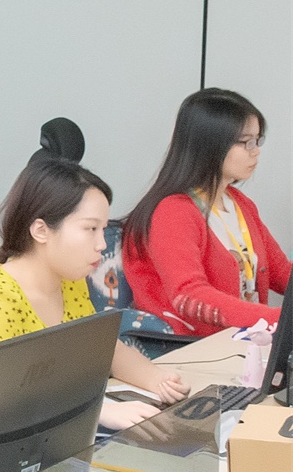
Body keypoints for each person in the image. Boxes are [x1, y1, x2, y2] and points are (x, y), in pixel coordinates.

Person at [0, 159, 186, 430]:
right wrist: (99, 411)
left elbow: (107, 349)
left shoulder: (70, 282)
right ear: (41, 231)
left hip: (43, 421)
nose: (102, 244)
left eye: (103, 229)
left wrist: (157, 379)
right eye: (90, 229)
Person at [121, 88, 288, 336]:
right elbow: (189, 295)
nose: (256, 151)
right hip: (191, 348)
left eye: (257, 140)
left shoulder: (240, 203)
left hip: (241, 341)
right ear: (211, 145)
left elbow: (281, 272)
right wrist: (277, 319)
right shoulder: (173, 211)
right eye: (247, 142)